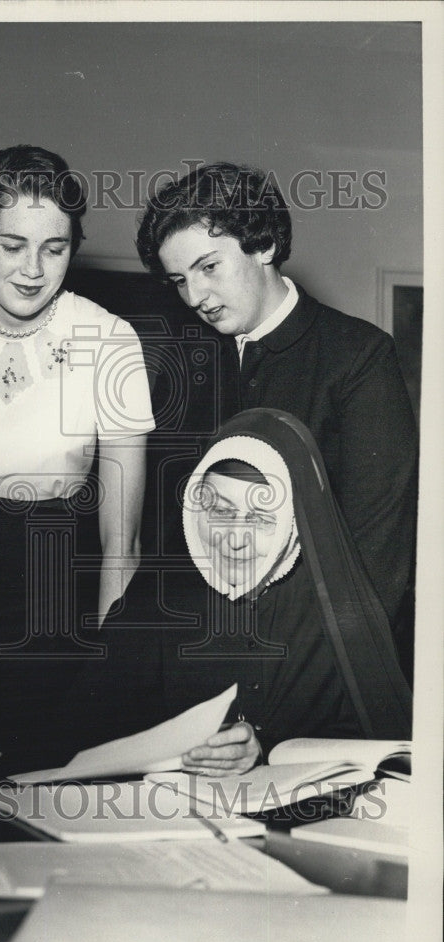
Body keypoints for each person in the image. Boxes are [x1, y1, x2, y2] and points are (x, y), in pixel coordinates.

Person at [0, 145, 154, 766]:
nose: (34, 270)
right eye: (12, 245)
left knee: (47, 767)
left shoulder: (111, 338)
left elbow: (121, 540)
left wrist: (108, 662)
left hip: (59, 570)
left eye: (55, 247)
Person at [135, 162, 417, 628]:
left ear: (264, 244)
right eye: (180, 280)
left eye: (208, 267)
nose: (194, 297)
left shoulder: (358, 356)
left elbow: (376, 557)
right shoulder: (185, 363)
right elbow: (168, 534)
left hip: (309, 649)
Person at [58, 409, 412, 774]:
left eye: (260, 517)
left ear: (294, 520)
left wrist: (265, 746)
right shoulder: (157, 600)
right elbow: (79, 735)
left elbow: (378, 745)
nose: (234, 539)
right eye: (221, 511)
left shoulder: (336, 613)